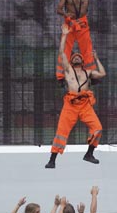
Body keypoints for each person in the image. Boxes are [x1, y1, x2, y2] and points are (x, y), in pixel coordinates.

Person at [45, 24, 106, 168]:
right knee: (61, 132)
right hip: (70, 104)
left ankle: (89, 154)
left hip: (85, 104)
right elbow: (62, 53)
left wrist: (96, 59)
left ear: (83, 61)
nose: (77, 58)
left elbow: (103, 73)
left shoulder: (88, 72)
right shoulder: (68, 71)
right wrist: (65, 35)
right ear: (72, 61)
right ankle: (52, 160)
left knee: (97, 128)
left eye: (80, 57)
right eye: (75, 57)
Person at [56, 0, 96, 81]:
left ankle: (91, 74)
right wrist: (66, 16)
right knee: (65, 50)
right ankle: (61, 76)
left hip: (83, 23)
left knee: (87, 50)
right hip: (70, 24)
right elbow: (59, 9)